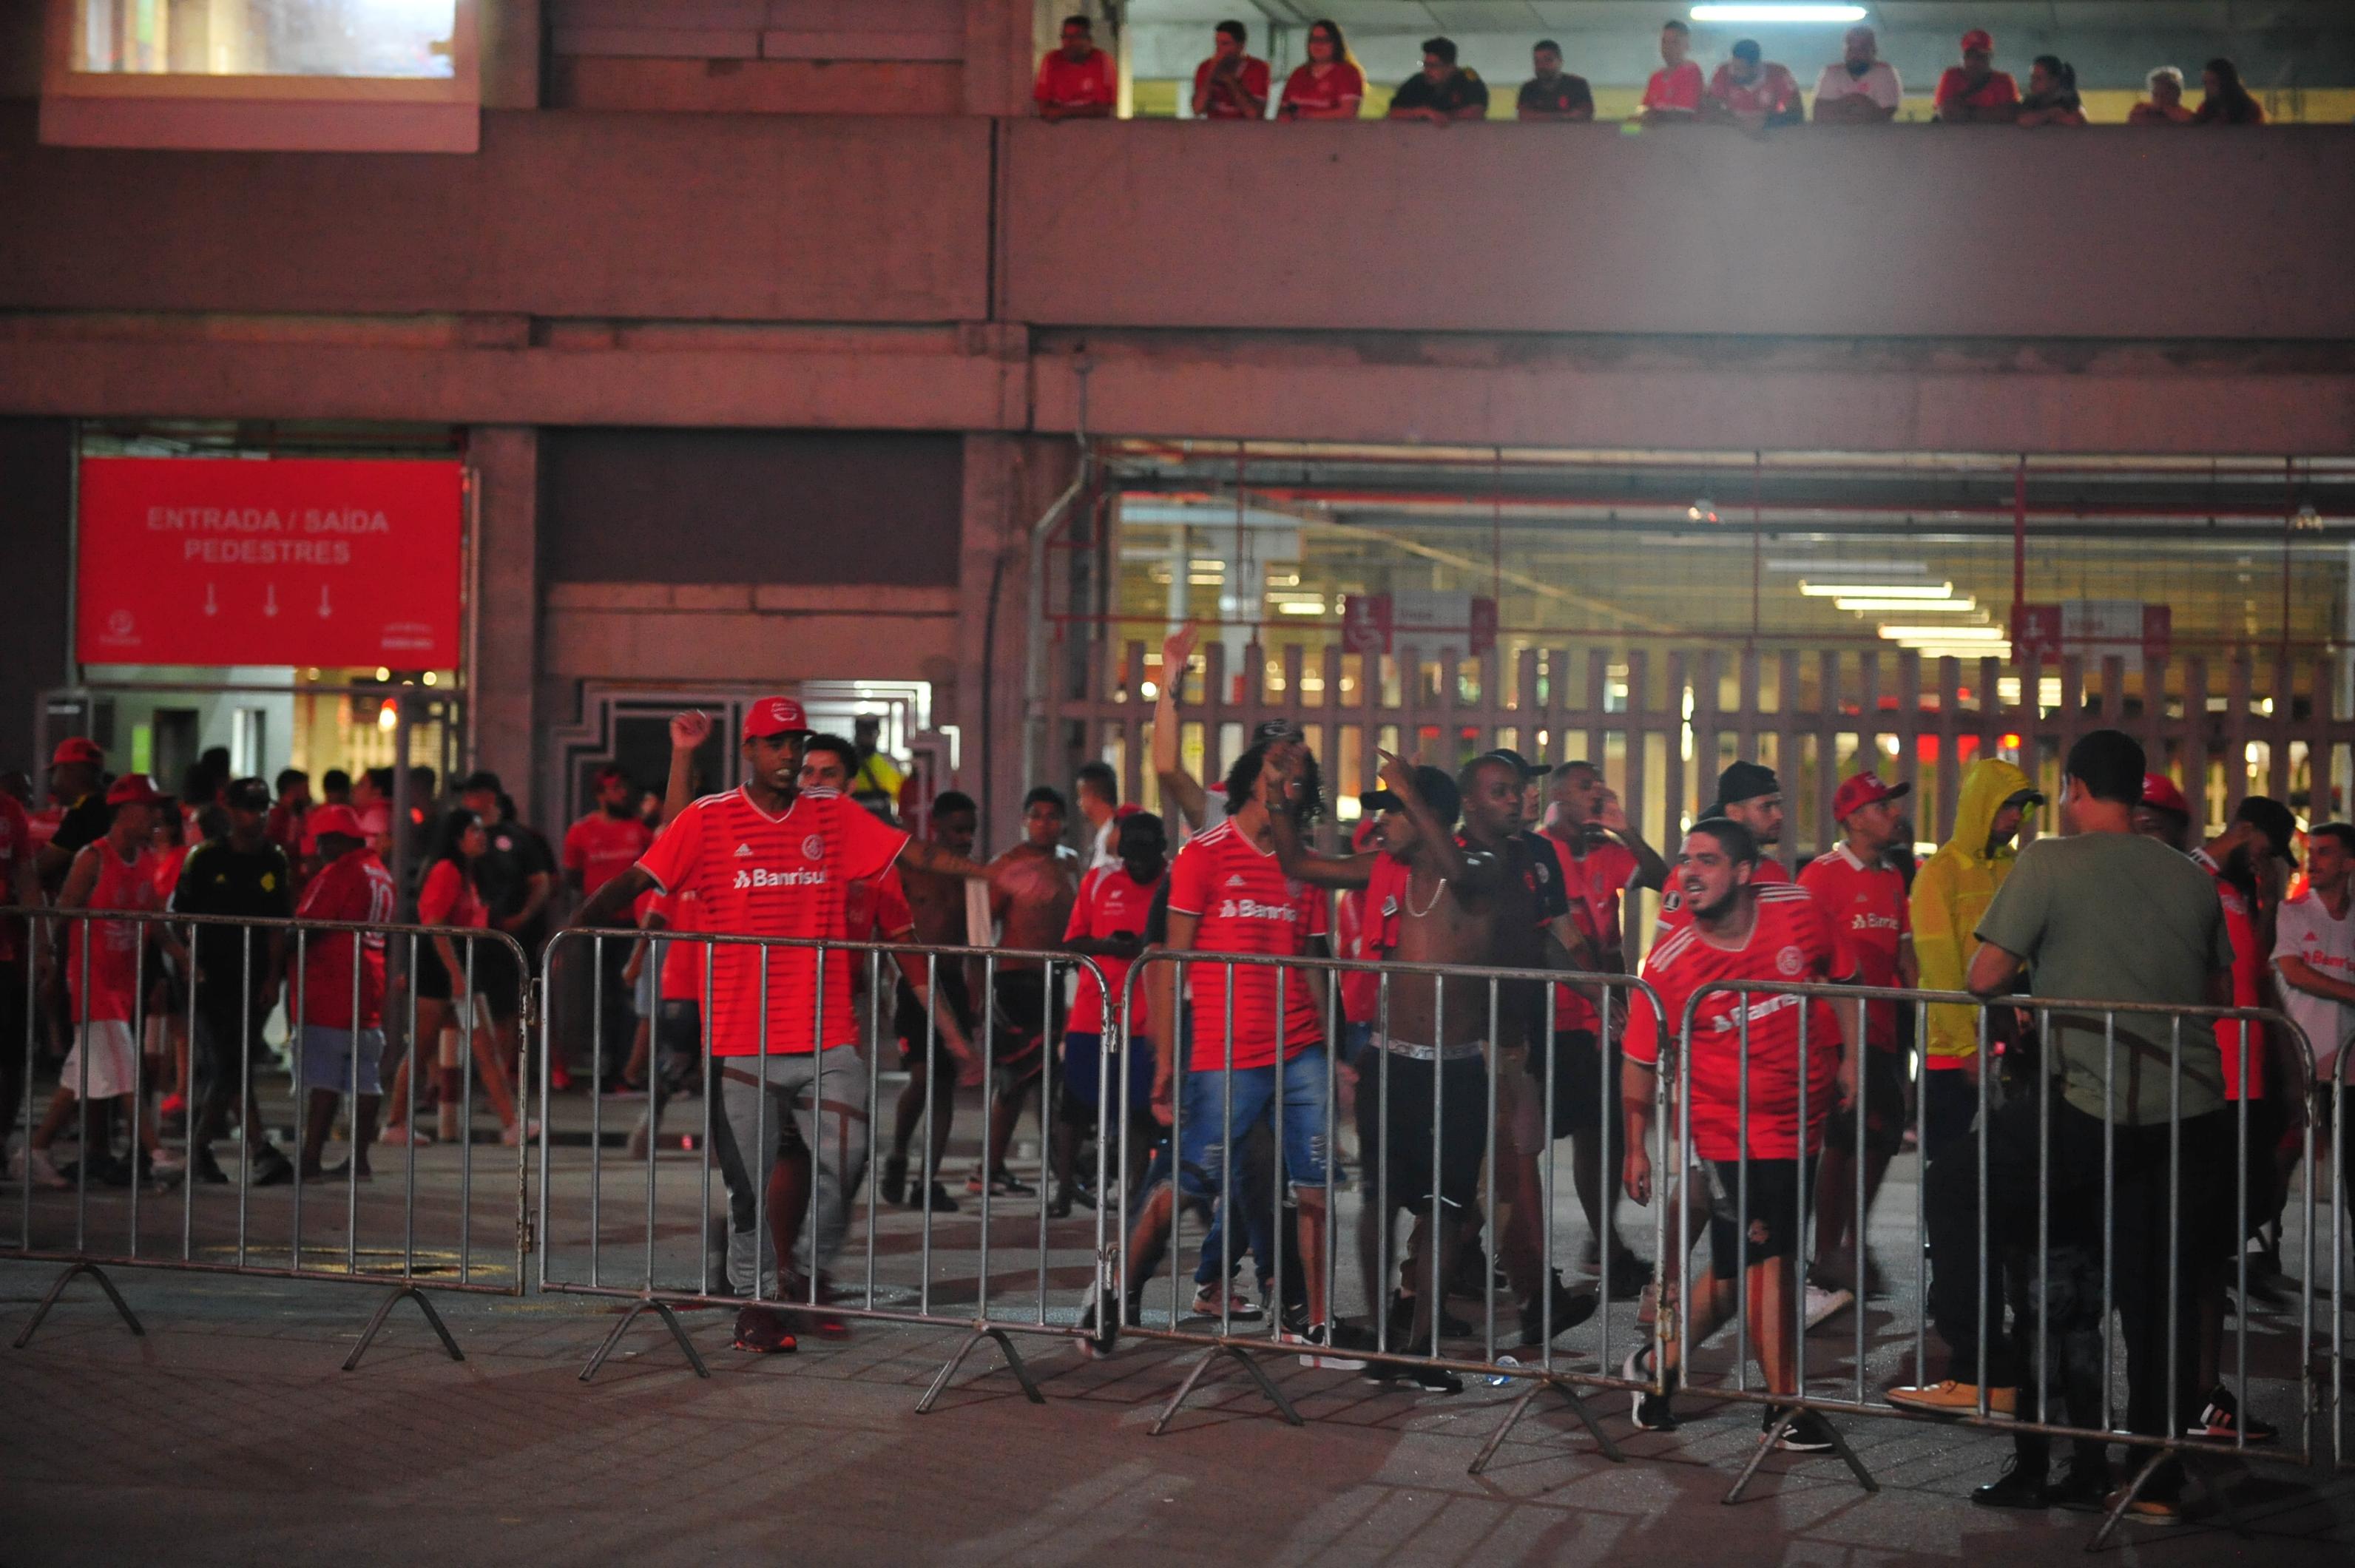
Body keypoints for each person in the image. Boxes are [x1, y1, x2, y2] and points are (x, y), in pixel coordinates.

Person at [572, 697, 990, 1355]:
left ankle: (808, 1277)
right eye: (777, 743)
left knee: (847, 1158)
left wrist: (987, 873)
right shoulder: (710, 819)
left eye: (798, 743)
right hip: (740, 1040)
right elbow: (639, 878)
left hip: (827, 1036)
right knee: (750, 1187)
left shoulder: (835, 818)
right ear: (750, 749)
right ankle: (757, 1303)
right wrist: (570, 936)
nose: (791, 756)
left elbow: (916, 862)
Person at [1965, 729, 2234, 1524]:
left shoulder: (2049, 861)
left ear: (2075, 788)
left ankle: (1965, 1351)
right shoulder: (2190, 876)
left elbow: (1983, 974)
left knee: (1963, 1187)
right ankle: (2154, 1475)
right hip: (2188, 1109)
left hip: (2089, 1105)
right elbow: (2219, 994)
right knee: (2156, 1297)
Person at [1101, 734, 1357, 1363]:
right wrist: (1166, 1059)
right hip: (1224, 1051)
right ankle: (1113, 1293)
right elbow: (1167, 961)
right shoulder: (1204, 852)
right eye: (1279, 766)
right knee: (1188, 1178)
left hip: (1298, 1049)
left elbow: (1314, 960)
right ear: (1250, 778)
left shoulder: (1304, 866)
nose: (1289, 779)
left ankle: (1312, 1321)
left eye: (1301, 773)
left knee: (1306, 1184)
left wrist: (1335, 1053)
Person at [1620, 817, 1851, 1450]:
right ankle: (1786, 1405)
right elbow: (1638, 1060)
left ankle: (1655, 1366)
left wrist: (1852, 1059)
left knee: (1736, 1275)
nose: (1689, 872)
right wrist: (1635, 1145)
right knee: (1768, 1263)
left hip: (1801, 1123)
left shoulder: (1798, 910)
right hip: (1728, 1133)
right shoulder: (1671, 963)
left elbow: (1845, 980)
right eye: (1685, 859)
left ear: (1745, 872)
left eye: (1707, 860)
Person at [1888, 758, 2040, 1420]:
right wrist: (1968, 1045)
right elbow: (1943, 969)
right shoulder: (1939, 875)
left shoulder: (2014, 871)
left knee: (1997, 1191)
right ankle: (1959, 1316)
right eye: (2007, 807)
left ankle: (1992, 1317)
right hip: (1956, 1060)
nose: (2015, 820)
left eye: (2022, 810)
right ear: (1981, 805)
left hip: (2007, 1055)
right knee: (1954, 1190)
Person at [1532, 760, 1668, 1291]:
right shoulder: (1540, 850)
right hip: (1554, 1013)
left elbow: (1664, 881)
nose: (1596, 793)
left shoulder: (1607, 852)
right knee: (1526, 1138)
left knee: (1601, 1131)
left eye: (1598, 785)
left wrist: (1625, 829)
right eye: (1585, 787)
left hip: (1604, 1016)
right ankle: (1503, 1248)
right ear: (1558, 797)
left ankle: (1602, 1242)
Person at [15, 774, 186, 1189]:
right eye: (149, 808)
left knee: (80, 1077)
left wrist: (182, 957)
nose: (157, 816)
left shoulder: (145, 860)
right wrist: (50, 967)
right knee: (125, 1069)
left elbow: (155, 920)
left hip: (123, 985)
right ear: (125, 811)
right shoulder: (93, 858)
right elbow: (63, 914)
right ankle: (156, 1154)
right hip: (92, 984)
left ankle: (33, 1152)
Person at [1800, 771, 1916, 1319]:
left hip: (1885, 1031)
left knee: (1880, 1139)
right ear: (1852, 819)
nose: (1894, 814)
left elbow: (1904, 956)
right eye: (1881, 806)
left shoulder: (1893, 877)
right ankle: (1828, 1254)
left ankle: (1849, 1242)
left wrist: (1920, 1009)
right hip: (1835, 1035)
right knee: (1842, 1139)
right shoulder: (1821, 876)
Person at [171, 777, 297, 1187]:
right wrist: (190, 963)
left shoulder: (273, 859)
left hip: (253, 977)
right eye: (249, 809)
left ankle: (239, 1151)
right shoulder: (205, 858)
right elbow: (178, 918)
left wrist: (273, 977)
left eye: (263, 809)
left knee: (234, 1065)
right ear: (230, 811)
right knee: (228, 1064)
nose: (258, 817)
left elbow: (278, 925)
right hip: (210, 977)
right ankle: (219, 1149)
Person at [377, 808, 527, 1150]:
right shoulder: (446, 870)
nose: (482, 836)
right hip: (440, 969)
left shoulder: (470, 873)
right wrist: (456, 976)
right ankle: (395, 1123)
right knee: (423, 1049)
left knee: (484, 1046)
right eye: (474, 831)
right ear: (457, 839)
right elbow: (434, 924)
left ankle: (512, 1123)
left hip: (461, 967)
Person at [876, 791, 984, 1212]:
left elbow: (977, 943)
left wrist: (978, 994)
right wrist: (887, 981)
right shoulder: (912, 869)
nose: (966, 838)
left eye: (971, 830)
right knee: (923, 1079)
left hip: (952, 984)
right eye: (958, 830)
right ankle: (899, 1153)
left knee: (943, 1086)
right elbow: (887, 925)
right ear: (937, 828)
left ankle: (928, 1180)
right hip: (913, 983)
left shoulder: (973, 877)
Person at [1060, 810, 1169, 1218]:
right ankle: (1063, 1192)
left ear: (1161, 852)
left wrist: (1145, 947)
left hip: (1148, 1017)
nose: (1135, 866)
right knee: (1075, 1107)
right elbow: (1072, 942)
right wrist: (1110, 945)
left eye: (1144, 858)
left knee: (1139, 1113)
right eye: (1129, 858)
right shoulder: (1099, 881)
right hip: (1095, 1014)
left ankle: (1135, 1197)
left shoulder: (1174, 883)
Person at [283, 804, 399, 1182]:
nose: (318, 850)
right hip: (368, 987)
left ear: (335, 840)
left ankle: (310, 1160)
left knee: (325, 1080)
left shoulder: (341, 872)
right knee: (366, 1078)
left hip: (332, 987)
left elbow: (308, 924)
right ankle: (359, 1160)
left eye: (321, 841)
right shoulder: (380, 872)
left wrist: (276, 952)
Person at [974, 786, 1081, 1197]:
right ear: (1024, 820)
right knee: (1016, 1079)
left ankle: (1055, 1167)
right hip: (1014, 982)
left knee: (1050, 1078)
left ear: (1064, 823)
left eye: (1053, 816)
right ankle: (988, 1168)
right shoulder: (1005, 866)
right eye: (1036, 815)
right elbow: (980, 933)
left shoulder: (1070, 863)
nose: (1044, 824)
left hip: (1056, 981)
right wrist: (977, 990)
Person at [456, 771, 555, 1087]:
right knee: (456, 1012)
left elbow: (541, 881)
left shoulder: (518, 839)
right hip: (469, 939)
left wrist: (522, 917)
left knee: (504, 1011)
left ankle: (499, 1080)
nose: (466, 801)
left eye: (472, 794)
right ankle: (451, 1083)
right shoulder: (458, 838)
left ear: (489, 797)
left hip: (506, 941)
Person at [565, 763, 654, 1089]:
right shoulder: (581, 831)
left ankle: (625, 1070)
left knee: (630, 1000)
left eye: (624, 788)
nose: (623, 794)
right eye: (615, 789)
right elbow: (573, 876)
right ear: (600, 794)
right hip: (598, 927)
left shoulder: (639, 830)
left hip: (633, 926)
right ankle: (603, 1068)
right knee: (602, 999)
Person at [1654, 761, 1792, 938]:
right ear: (1734, 813)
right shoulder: (1695, 876)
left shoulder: (1776, 873)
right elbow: (1665, 946)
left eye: (1778, 805)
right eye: (1766, 807)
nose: (1779, 815)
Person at [0, 773, 36, 1165]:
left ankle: (1, 1138)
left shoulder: (10, 811)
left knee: (11, 1054)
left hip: (6, 952)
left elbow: (26, 876)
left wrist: (42, 946)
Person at [33, 737, 110, 890]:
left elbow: (41, 866)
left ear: (68, 770)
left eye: (55, 772)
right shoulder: (112, 804)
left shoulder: (83, 813)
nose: (53, 782)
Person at [1277, 18, 1362, 121]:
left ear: (1336, 44)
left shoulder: (1347, 72)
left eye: (1325, 40)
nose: (1318, 45)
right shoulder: (1298, 73)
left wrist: (1306, 115)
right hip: (1295, 131)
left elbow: (1348, 113)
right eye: (1314, 40)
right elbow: (1282, 111)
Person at [1812, 24, 1902, 124]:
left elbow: (1884, 115)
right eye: (1851, 49)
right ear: (1845, 51)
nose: (1855, 55)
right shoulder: (1831, 72)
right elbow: (1820, 115)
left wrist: (1842, 108)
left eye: (1862, 49)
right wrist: (1859, 103)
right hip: (1836, 133)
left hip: (1875, 133)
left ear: (1874, 51)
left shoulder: (1884, 73)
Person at [1388, 37, 1487, 125]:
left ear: (1450, 67)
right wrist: (1421, 112)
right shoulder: (1417, 82)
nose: (1427, 71)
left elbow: (1476, 111)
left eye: (1434, 66)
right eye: (1425, 65)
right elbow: (1394, 112)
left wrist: (1444, 117)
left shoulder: (1467, 80)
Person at [1705, 39, 1801, 130]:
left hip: (1770, 136)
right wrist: (1738, 124)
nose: (1735, 73)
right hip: (1732, 134)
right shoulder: (1724, 72)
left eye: (1740, 69)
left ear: (1756, 66)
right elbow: (1709, 109)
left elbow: (1796, 112)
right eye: (1734, 67)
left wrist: (1766, 122)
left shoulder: (1778, 73)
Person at [1035, 14, 1115, 122]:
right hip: (1056, 130)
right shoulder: (1051, 60)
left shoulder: (1102, 61)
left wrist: (1061, 112)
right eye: (1066, 37)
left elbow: (1104, 110)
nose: (1069, 42)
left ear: (1089, 40)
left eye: (1076, 37)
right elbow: (1044, 109)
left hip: (1093, 129)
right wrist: (1085, 110)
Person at [1935, 29, 2018, 124]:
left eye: (1980, 56)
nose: (1973, 61)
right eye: (1969, 55)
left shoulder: (2004, 81)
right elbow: (1945, 112)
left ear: (1990, 57)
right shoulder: (1951, 76)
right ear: (1963, 57)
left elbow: (2009, 114)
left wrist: (1966, 113)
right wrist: (1987, 114)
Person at [1192, 19, 1269, 121]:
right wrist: (1211, 73)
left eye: (1225, 44)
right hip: (1215, 128)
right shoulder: (1206, 67)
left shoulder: (1258, 68)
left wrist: (1230, 80)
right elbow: (1197, 109)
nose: (1219, 49)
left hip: (1246, 129)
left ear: (1241, 46)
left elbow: (1254, 114)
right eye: (1217, 44)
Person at [1639, 18, 1703, 123]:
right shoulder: (1656, 77)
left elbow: (1684, 115)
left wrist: (1654, 117)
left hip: (1679, 132)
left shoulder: (1691, 72)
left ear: (1687, 46)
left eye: (1675, 43)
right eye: (1664, 42)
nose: (1668, 48)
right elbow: (1644, 110)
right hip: (1655, 132)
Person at [1516, 38, 1592, 121]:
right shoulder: (1528, 89)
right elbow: (1524, 116)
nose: (1541, 66)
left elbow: (1584, 114)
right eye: (1537, 61)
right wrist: (1565, 116)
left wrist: (1540, 117)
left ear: (1560, 61)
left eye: (1548, 60)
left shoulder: (1577, 85)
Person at [848, 715, 905, 820]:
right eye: (863, 733)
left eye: (869, 733)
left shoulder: (889, 762)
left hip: (877, 822)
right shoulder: (845, 761)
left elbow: (901, 795)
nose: (866, 738)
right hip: (854, 820)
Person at [1075, 760, 1121, 873]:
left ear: (1090, 796)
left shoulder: (1115, 837)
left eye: (1081, 796)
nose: (1079, 803)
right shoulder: (1105, 834)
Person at [2016, 55, 2086, 127]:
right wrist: (2050, 114)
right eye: (2032, 78)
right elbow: (2023, 120)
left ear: (2055, 81)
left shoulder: (2067, 99)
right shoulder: (2031, 100)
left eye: (2039, 79)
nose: (2033, 83)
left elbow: (2076, 120)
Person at [2194, 58, 2265, 125]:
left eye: (2213, 83)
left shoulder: (2250, 109)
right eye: (2205, 83)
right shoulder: (2204, 109)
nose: (2208, 88)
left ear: (2227, 83)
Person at [264, 768, 311, 859]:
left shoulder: (306, 817)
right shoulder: (271, 820)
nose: (309, 796)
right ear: (294, 791)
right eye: (305, 791)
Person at [2128, 65, 2195, 125]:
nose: (2159, 99)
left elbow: (2186, 119)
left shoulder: (2186, 116)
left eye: (2165, 95)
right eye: (2155, 95)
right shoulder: (2142, 112)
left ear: (2177, 95)